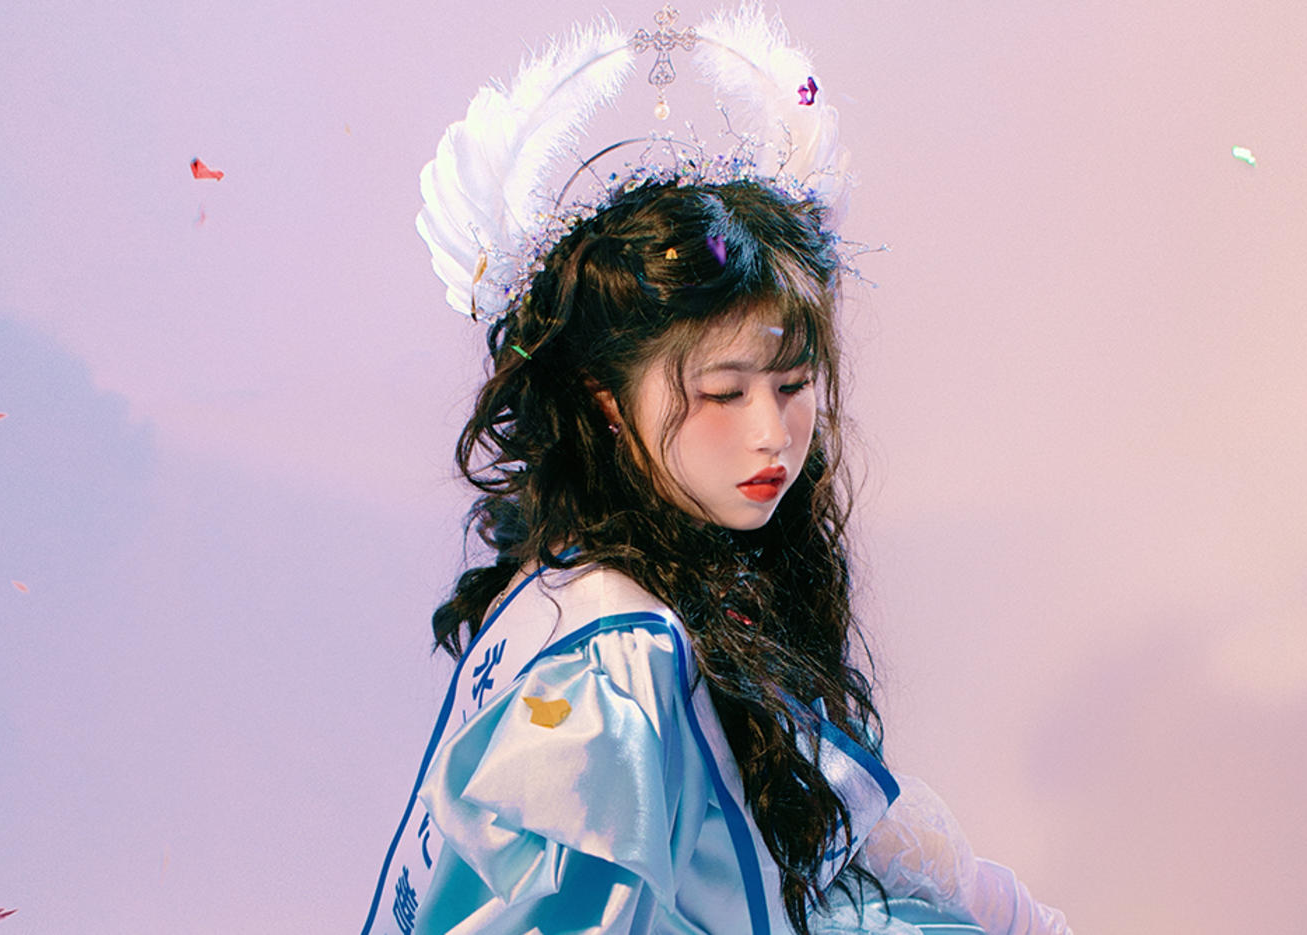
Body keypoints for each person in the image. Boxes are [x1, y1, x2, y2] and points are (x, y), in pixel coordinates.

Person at [363, 9, 1073, 935]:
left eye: (793, 384)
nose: (772, 435)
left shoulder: (641, 580)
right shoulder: (614, 656)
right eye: (722, 393)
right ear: (606, 400)